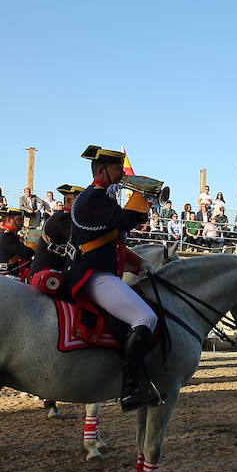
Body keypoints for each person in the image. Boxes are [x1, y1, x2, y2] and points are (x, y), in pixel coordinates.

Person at [65, 145, 160, 411]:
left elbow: (113, 242)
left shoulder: (100, 197)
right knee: (146, 318)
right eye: (118, 168)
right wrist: (142, 195)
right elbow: (124, 219)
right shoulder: (93, 198)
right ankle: (131, 389)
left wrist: (140, 265)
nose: (121, 173)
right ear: (101, 171)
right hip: (93, 275)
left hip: (101, 271)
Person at [29, 184, 80, 274]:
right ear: (68, 200)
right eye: (80, 199)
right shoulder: (63, 218)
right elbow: (79, 238)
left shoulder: (64, 216)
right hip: (48, 272)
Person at [0, 206, 33, 279]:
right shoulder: (7, 236)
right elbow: (26, 253)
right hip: (10, 277)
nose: (22, 222)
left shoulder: (6, 234)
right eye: (19, 219)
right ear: (9, 220)